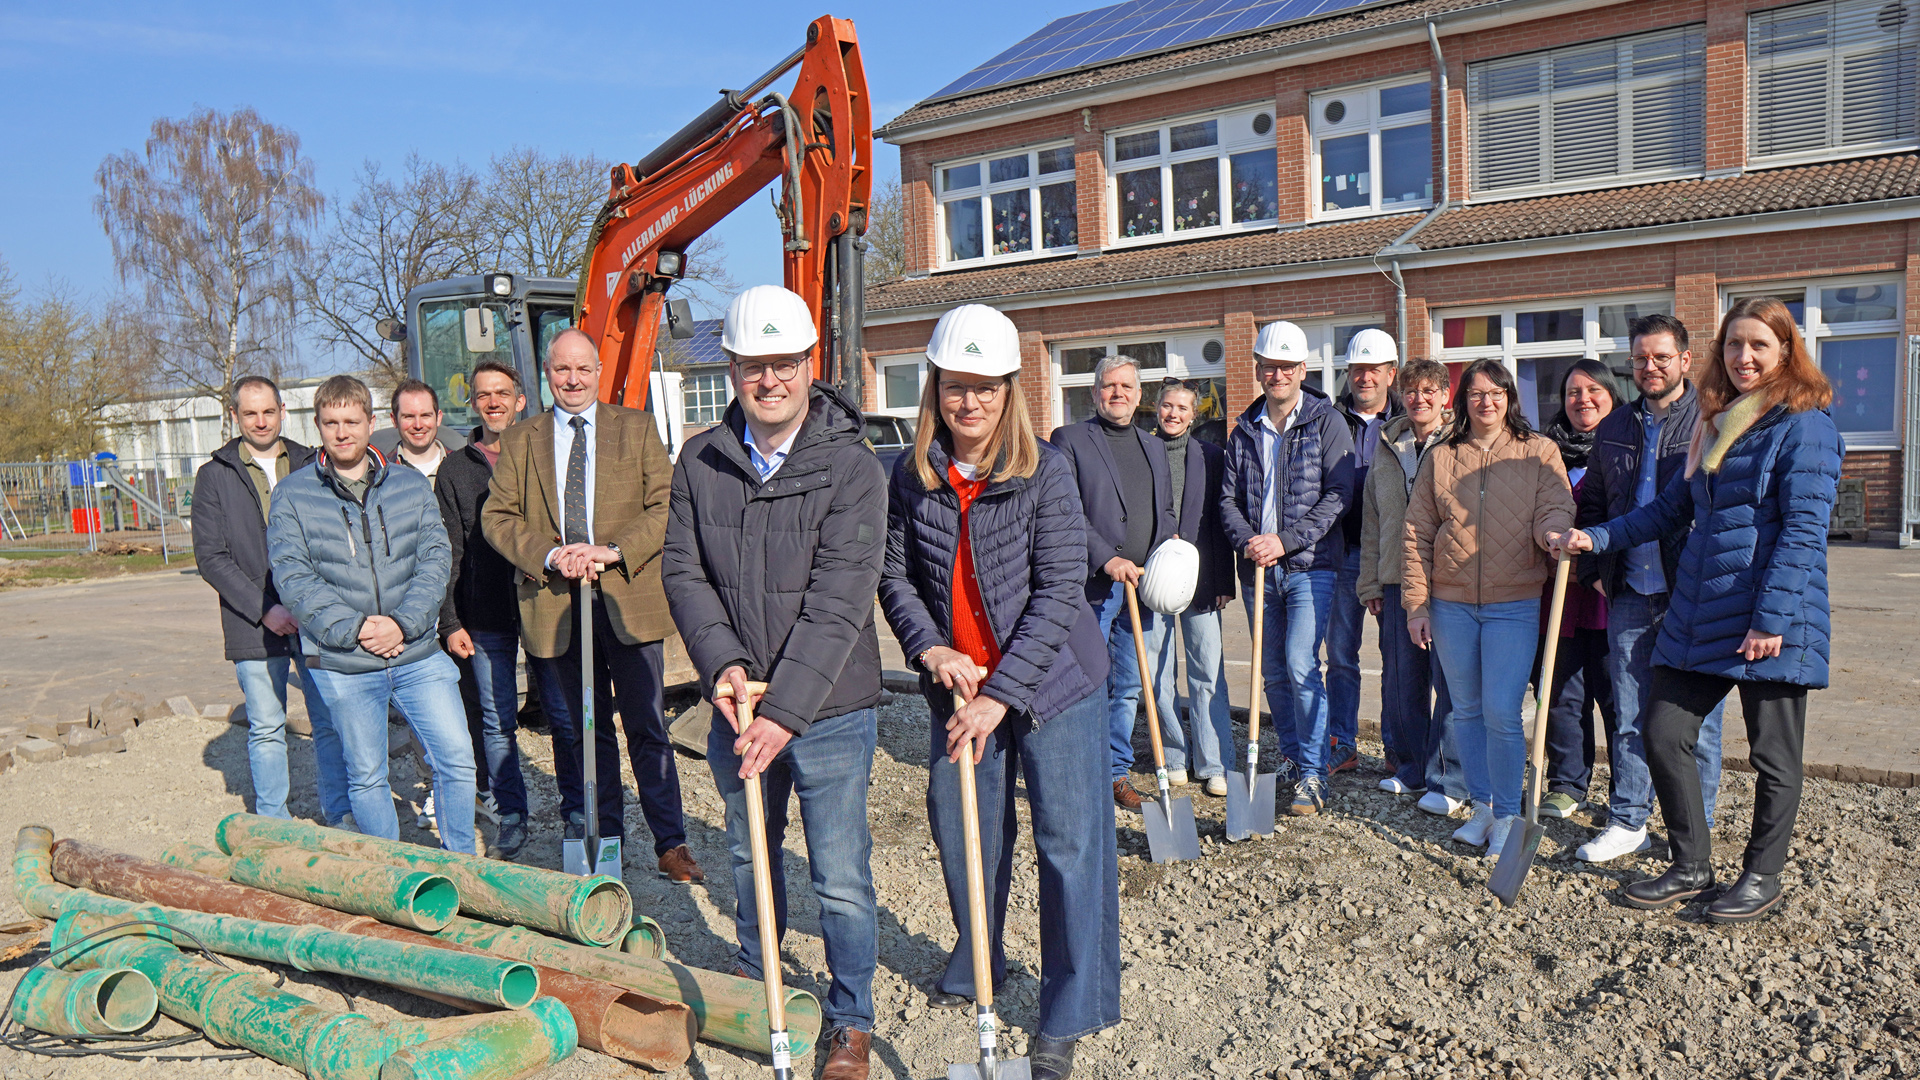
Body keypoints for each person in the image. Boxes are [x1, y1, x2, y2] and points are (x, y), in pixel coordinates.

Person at [879, 304, 1119, 1080]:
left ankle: (1068, 1007)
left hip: (1054, 682)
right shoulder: (911, 476)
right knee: (962, 829)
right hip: (959, 684)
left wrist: (1001, 694)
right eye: (956, 388)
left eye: (985, 388)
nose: (970, 403)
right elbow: (894, 576)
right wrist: (929, 646)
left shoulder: (1045, 471)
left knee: (1069, 841)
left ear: (1010, 391)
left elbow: (1057, 592)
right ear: (935, 390)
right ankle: (981, 957)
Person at [1553, 298, 1842, 924]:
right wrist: (1596, 539)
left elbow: (1802, 531)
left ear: (1786, 352)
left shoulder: (1805, 426)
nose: (1743, 357)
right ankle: (1691, 864)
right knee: (1664, 731)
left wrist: (1770, 619)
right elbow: (1670, 511)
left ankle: (1762, 876)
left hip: (1773, 617)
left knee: (1773, 754)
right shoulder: (1723, 422)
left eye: (1759, 346)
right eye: (1734, 345)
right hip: (1706, 608)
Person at [662, 286, 887, 1080]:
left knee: (841, 876)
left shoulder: (851, 469)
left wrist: (784, 711)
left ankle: (849, 1020)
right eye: (753, 366)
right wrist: (721, 664)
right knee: (752, 861)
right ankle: (767, 996)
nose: (769, 381)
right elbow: (684, 572)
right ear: (730, 368)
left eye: (783, 364)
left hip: (826, 710)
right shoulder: (701, 459)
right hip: (735, 703)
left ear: (809, 365)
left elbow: (840, 599)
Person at [481, 328, 704, 884]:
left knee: (648, 725)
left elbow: (665, 503)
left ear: (599, 370)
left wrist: (614, 549)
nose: (573, 380)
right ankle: (600, 838)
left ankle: (670, 842)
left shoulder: (636, 427)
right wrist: (553, 555)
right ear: (547, 374)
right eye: (561, 370)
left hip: (626, 599)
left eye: (582, 369)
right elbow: (498, 518)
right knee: (580, 729)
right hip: (554, 605)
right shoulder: (522, 440)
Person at [266, 375, 477, 854]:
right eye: (331, 423)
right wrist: (357, 629)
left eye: (352, 421)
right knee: (366, 777)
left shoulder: (408, 484)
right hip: (345, 662)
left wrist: (402, 623)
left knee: (457, 761)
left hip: (417, 653)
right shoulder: (293, 496)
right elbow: (294, 578)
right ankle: (393, 878)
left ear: (371, 423)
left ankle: (462, 864)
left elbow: (434, 557)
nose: (342, 432)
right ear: (317, 425)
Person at [1572, 313, 1728, 864]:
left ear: (1686, 359)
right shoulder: (1614, 427)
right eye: (1640, 358)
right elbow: (1593, 503)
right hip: (1631, 594)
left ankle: (1695, 828)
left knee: (1698, 723)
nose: (1650, 366)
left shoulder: (1712, 420)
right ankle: (1628, 820)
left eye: (1661, 356)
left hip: (1692, 595)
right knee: (1630, 713)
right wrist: (1596, 574)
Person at [1401, 358, 1573, 858]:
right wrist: (1417, 605)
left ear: (1509, 397)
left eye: (1496, 392)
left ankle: (1509, 813)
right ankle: (1483, 808)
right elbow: (1416, 533)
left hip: (1513, 603)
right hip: (1451, 605)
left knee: (1501, 712)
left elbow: (1555, 506)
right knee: (1466, 712)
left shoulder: (1538, 451)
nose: (1486, 401)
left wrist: (1553, 535)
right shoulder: (1442, 456)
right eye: (1476, 393)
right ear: (1463, 400)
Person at [191, 376, 351, 828]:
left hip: (317, 618)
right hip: (253, 622)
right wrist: (265, 607)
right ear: (235, 417)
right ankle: (274, 825)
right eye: (250, 413)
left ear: (283, 410)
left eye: (268, 411)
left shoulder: (313, 463)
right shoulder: (213, 477)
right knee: (266, 727)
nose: (260, 421)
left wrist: (316, 604)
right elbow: (211, 557)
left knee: (329, 724)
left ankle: (339, 816)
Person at [1220, 320, 1356, 816]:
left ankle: (1315, 775)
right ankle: (1296, 759)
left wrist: (1285, 540)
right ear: (1258, 369)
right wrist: (1251, 543)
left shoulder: (1326, 421)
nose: (1277, 374)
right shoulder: (1244, 428)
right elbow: (1227, 499)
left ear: (1302, 369)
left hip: (1310, 566)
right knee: (1273, 672)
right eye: (1269, 366)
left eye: (1286, 366)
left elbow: (1340, 495)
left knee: (1301, 664)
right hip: (1259, 570)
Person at [1049, 357, 1177, 811]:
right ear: (1095, 393)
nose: (1117, 393)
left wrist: (1167, 552)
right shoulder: (1069, 441)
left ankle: (1115, 772)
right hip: (1095, 586)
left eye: (1126, 386)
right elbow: (1066, 512)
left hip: (1143, 587)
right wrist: (1107, 559)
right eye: (1108, 386)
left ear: (1139, 395)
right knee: (1085, 680)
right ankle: (1076, 769)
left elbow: (1166, 513)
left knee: (1126, 685)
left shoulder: (1153, 446)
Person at [1357, 359, 1463, 810]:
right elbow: (1372, 520)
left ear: (1445, 396)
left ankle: (1448, 776)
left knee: (1450, 681)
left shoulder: (1461, 442)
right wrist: (1371, 583)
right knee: (1404, 681)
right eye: (1412, 391)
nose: (1419, 399)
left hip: (1450, 583)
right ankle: (1412, 768)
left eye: (1429, 391)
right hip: (1398, 579)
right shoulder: (1387, 444)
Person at [435, 360, 531, 859]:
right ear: (473, 403)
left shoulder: (544, 452)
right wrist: (450, 620)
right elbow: (449, 548)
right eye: (483, 394)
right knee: (496, 722)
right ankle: (512, 813)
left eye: (503, 392)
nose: (493, 401)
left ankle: (581, 815)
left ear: (519, 399)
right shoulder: (456, 469)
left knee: (564, 714)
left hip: (545, 607)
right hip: (486, 612)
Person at [1537, 361, 1623, 823]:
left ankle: (1628, 792)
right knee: (1561, 693)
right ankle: (1568, 783)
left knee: (1616, 696)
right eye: (1572, 391)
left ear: (1611, 395)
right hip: (1560, 599)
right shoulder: (1544, 453)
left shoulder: (1628, 448)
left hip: (1608, 594)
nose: (1583, 400)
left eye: (1593, 390)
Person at [1143, 380, 1235, 797]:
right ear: (1156, 408)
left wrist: (1221, 582)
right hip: (1154, 581)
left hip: (1200, 581)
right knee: (1158, 672)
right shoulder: (1142, 451)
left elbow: (1219, 522)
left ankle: (1214, 761)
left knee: (1207, 672)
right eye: (1167, 406)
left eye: (1182, 407)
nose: (1174, 414)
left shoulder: (1212, 456)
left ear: (1194, 414)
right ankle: (1175, 756)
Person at [1327, 328, 1402, 775]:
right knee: (1340, 654)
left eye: (1373, 370)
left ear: (1391, 373)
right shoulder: (1328, 420)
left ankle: (1397, 747)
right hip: (1341, 554)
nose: (1365, 378)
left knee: (1397, 657)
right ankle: (1343, 742)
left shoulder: (1407, 422)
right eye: (1357, 369)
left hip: (1391, 554)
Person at [385, 380, 449, 486]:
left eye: (425, 415)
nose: (418, 425)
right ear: (394, 420)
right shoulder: (381, 474)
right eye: (409, 417)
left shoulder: (463, 466)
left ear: (438, 418)